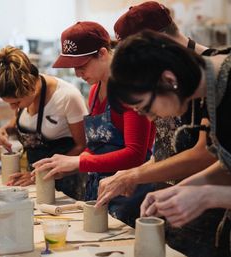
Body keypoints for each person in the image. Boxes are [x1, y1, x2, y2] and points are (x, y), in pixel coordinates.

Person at [96, 3, 230, 256]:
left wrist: (208, 196)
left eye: (146, 108)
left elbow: (206, 157)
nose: (150, 118)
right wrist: (183, 188)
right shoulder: (211, 91)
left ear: (169, 79)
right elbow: (226, 163)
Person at [33, 21, 156, 227]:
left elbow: (135, 154)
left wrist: (79, 163)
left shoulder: (130, 89)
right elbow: (96, 146)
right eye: (73, 67)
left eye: (81, 66)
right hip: (99, 188)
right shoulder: (94, 90)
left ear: (102, 53)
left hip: (129, 192)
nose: (77, 74)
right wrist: (68, 164)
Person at [0, 45, 88, 200]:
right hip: (34, 179)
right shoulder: (23, 93)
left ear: (31, 88)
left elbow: (82, 146)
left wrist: (41, 173)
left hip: (67, 184)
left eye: (16, 103)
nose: (13, 107)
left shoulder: (67, 97)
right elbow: (25, 121)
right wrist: (5, 129)